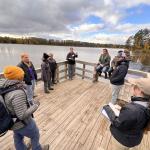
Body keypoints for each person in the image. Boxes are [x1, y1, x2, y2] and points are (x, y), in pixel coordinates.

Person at [1, 66, 49, 150]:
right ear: (18, 76)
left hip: (12, 123)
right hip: (23, 123)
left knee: (18, 137)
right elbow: (22, 115)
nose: (23, 76)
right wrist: (36, 105)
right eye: (22, 74)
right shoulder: (17, 93)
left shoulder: (4, 87)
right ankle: (38, 148)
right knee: (35, 135)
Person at [103, 77, 150, 150]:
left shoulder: (132, 110)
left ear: (139, 90)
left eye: (134, 86)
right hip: (136, 138)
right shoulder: (146, 105)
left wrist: (107, 108)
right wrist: (122, 110)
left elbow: (118, 123)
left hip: (124, 140)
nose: (132, 87)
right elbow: (137, 117)